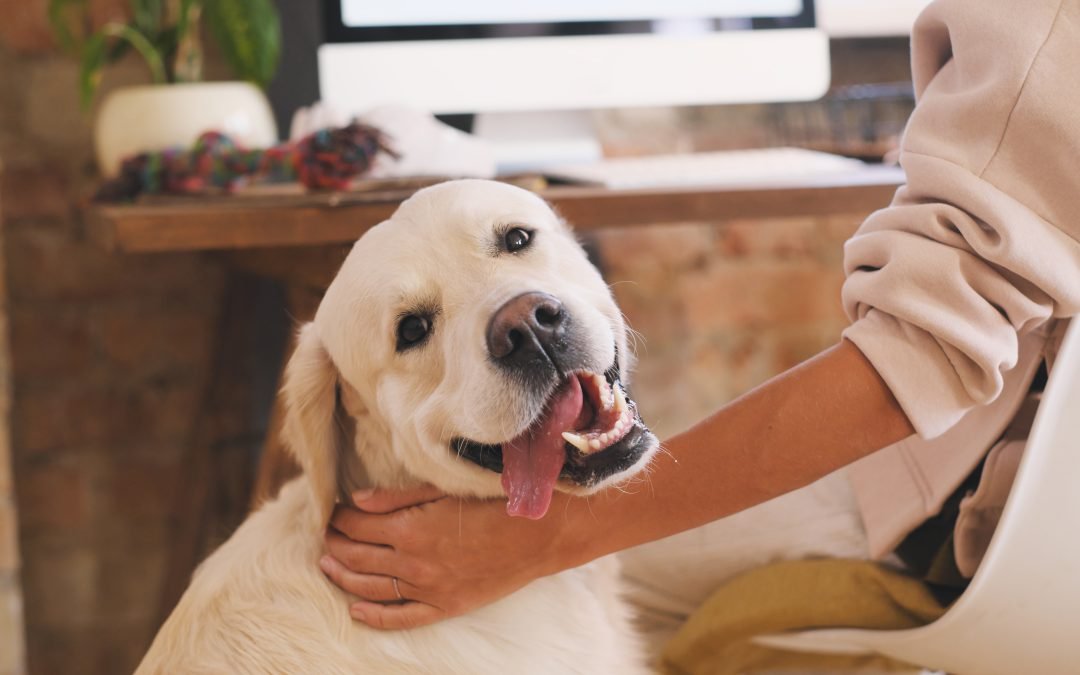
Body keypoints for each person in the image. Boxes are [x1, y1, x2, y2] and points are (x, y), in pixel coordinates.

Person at [317, 0, 1080, 652]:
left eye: (518, 241)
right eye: (414, 326)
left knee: (609, 589)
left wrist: (546, 542)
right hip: (993, 444)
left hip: (1008, 504)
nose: (525, 317)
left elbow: (921, 354)